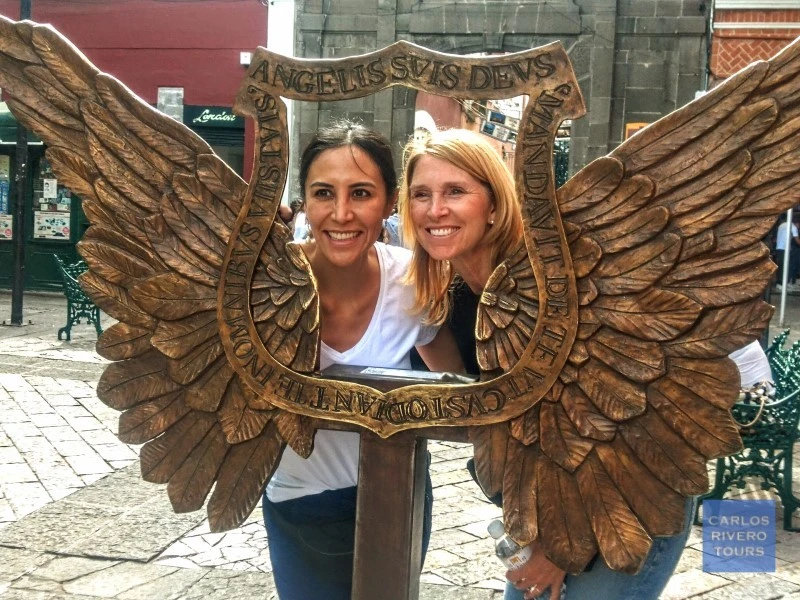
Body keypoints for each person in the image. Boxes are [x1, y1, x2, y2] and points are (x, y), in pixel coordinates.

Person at [397, 128, 695, 600]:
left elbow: (629, 422)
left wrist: (558, 550)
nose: (436, 209)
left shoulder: (557, 283)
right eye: (422, 195)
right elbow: (483, 419)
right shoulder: (448, 303)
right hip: (543, 499)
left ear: (494, 204)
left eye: (456, 191)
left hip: (632, 488)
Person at [262, 121, 462, 600]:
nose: (341, 213)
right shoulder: (264, 286)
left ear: (390, 202)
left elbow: (461, 390)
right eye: (324, 193)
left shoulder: (414, 281)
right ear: (304, 202)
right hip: (301, 502)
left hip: (397, 494)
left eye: (361, 193)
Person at [774, 212, 800, 291]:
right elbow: (798, 241)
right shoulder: (793, 227)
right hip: (785, 249)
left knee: (780, 266)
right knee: (786, 267)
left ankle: (779, 284)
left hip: (779, 248)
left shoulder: (782, 225)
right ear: (797, 223)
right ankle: (783, 284)